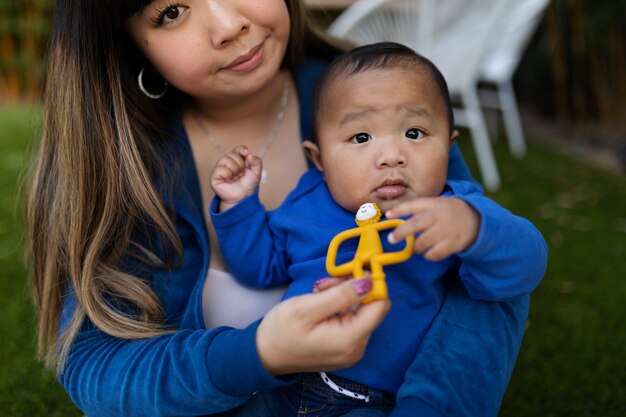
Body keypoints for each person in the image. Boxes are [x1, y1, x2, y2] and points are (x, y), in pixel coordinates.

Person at [24, 1, 539, 416]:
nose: (228, 24)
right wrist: (259, 352)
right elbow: (98, 363)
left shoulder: (384, 96)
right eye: (171, 12)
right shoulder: (134, 168)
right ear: (128, 43)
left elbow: (494, 284)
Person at [209, 42, 547, 417]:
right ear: (319, 158)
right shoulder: (306, 202)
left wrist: (474, 228)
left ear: (448, 145)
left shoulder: (452, 209)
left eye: (415, 133)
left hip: (377, 400)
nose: (391, 156)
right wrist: (238, 205)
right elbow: (258, 266)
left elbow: (525, 266)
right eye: (361, 137)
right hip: (286, 384)